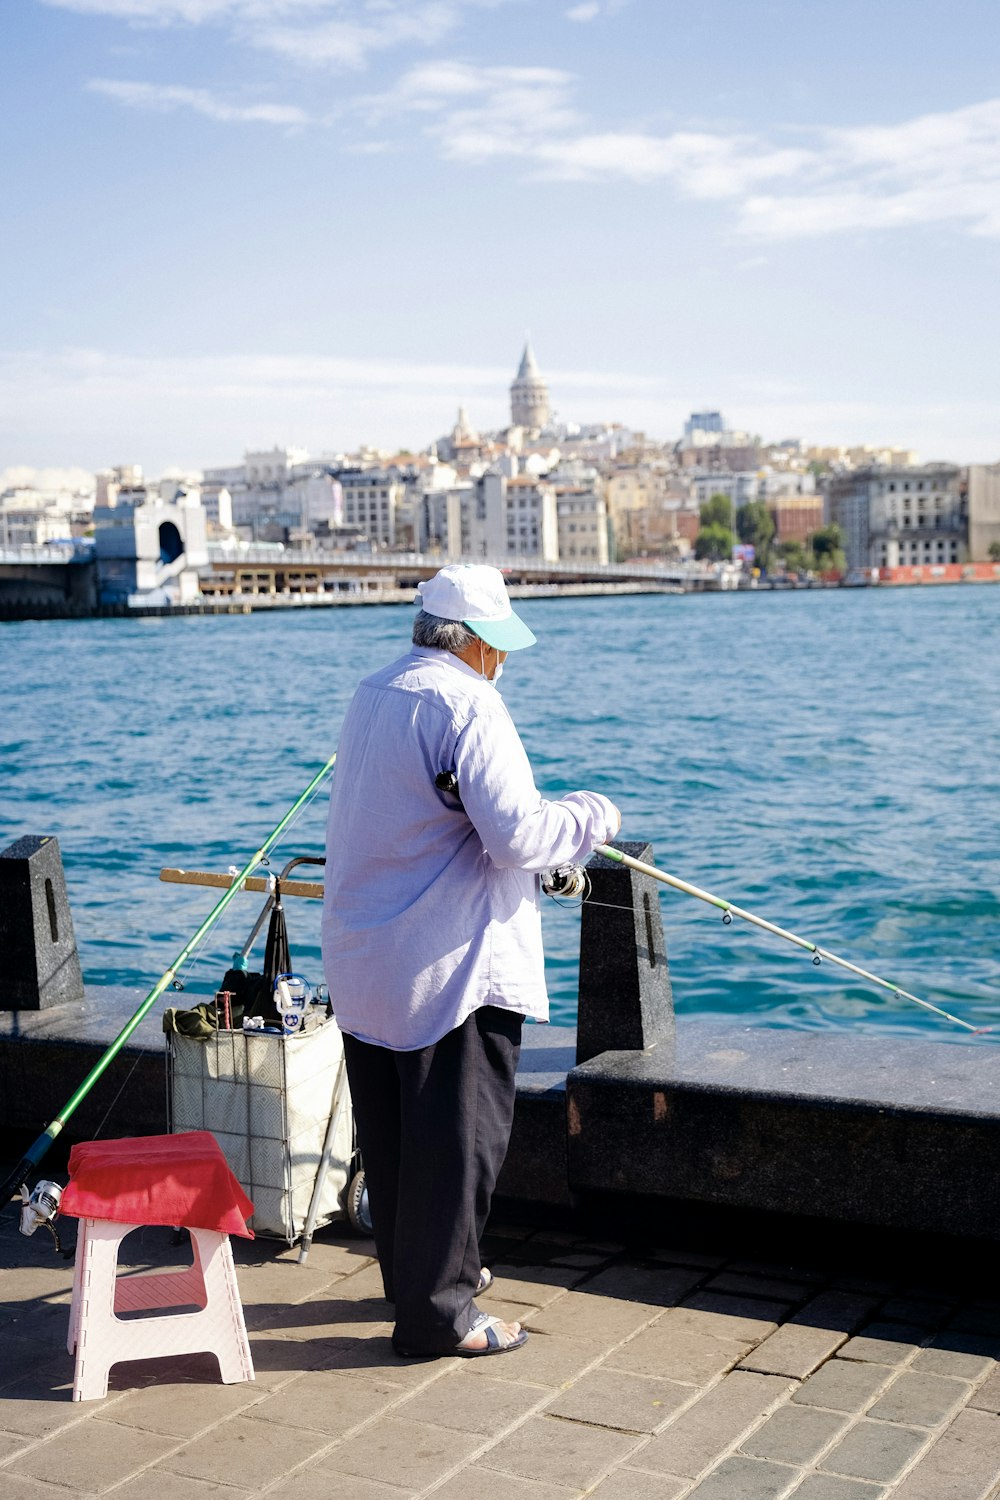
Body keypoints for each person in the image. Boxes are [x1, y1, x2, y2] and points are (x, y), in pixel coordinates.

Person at [321, 563, 620, 1357]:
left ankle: (418, 1282)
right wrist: (592, 815)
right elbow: (519, 834)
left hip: (366, 954)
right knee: (460, 1143)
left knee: (392, 1142)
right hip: (450, 962)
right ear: (475, 642)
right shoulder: (469, 702)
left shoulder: (374, 691)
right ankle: (442, 1319)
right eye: (500, 645)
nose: (506, 661)